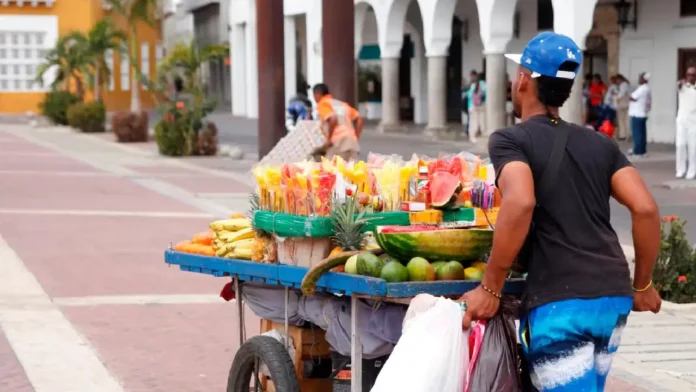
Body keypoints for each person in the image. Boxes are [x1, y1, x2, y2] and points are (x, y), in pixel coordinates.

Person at [458, 32, 662, 392]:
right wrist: (642, 285)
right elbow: (645, 208)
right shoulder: (600, 143)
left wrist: (490, 287)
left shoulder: (511, 140)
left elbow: (521, 202)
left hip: (562, 304)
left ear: (523, 79)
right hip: (611, 298)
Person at [313, 83, 363, 162]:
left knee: (331, 169)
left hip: (338, 144)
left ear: (317, 94)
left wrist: (329, 139)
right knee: (352, 171)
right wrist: (355, 136)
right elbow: (360, 118)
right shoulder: (341, 104)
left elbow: (333, 118)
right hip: (352, 143)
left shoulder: (323, 104)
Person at [676, 65, 696, 179]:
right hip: (681, 121)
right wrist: (680, 83)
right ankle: (680, 169)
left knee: (693, 147)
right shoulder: (681, 86)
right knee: (680, 145)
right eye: (688, 74)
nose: (690, 77)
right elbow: (678, 85)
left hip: (694, 122)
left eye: (693, 75)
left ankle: (692, 170)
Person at [629, 72, 652, 157]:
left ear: (644, 79)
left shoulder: (642, 88)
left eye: (641, 78)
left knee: (637, 134)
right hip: (643, 113)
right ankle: (642, 151)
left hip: (637, 114)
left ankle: (637, 152)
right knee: (642, 134)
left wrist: (629, 95)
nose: (639, 79)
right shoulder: (647, 88)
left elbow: (632, 97)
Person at [467, 72, 487, 143]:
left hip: (472, 106)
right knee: (482, 121)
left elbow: (469, 95)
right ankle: (483, 134)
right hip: (482, 106)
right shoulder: (485, 85)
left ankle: (472, 137)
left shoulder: (473, 85)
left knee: (473, 122)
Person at [615, 74, 631, 141]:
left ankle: (623, 135)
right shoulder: (626, 84)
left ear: (620, 79)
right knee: (625, 120)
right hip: (626, 104)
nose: (617, 82)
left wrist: (617, 99)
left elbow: (621, 93)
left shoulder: (623, 85)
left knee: (622, 121)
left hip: (622, 104)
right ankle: (625, 135)